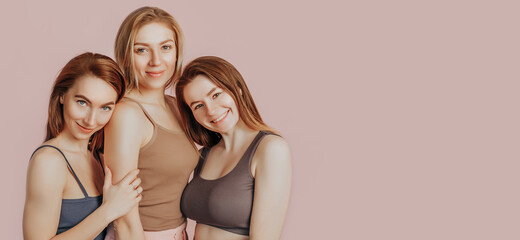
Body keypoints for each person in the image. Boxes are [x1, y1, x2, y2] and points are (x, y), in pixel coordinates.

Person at [23, 52, 143, 240]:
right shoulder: (49, 161)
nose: (91, 120)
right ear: (62, 96)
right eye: (82, 102)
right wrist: (108, 210)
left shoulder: (98, 156)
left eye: (105, 107)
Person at [104, 6, 198, 240]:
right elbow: (123, 213)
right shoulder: (127, 114)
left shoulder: (177, 105)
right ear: (126, 55)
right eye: (142, 50)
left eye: (165, 47)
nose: (156, 61)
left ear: (177, 52)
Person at [177, 56, 292, 240]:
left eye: (215, 95)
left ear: (236, 88)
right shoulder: (203, 155)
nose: (211, 110)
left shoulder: (270, 149)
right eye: (198, 105)